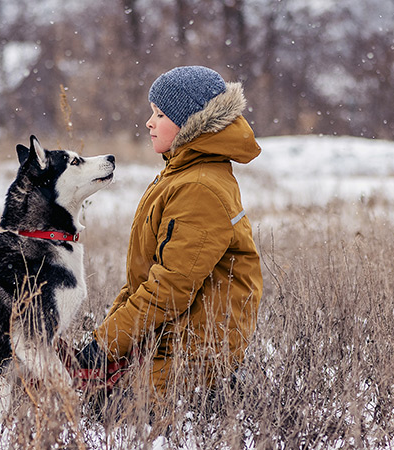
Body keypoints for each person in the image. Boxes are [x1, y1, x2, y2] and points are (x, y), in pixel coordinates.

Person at [74, 66, 263, 406]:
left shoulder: (199, 187)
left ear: (191, 125)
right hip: (170, 338)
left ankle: (222, 394)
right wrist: (105, 341)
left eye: (160, 114)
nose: (149, 122)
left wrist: (106, 345)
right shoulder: (182, 174)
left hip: (194, 352)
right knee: (81, 394)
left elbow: (170, 288)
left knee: (103, 412)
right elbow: (147, 275)